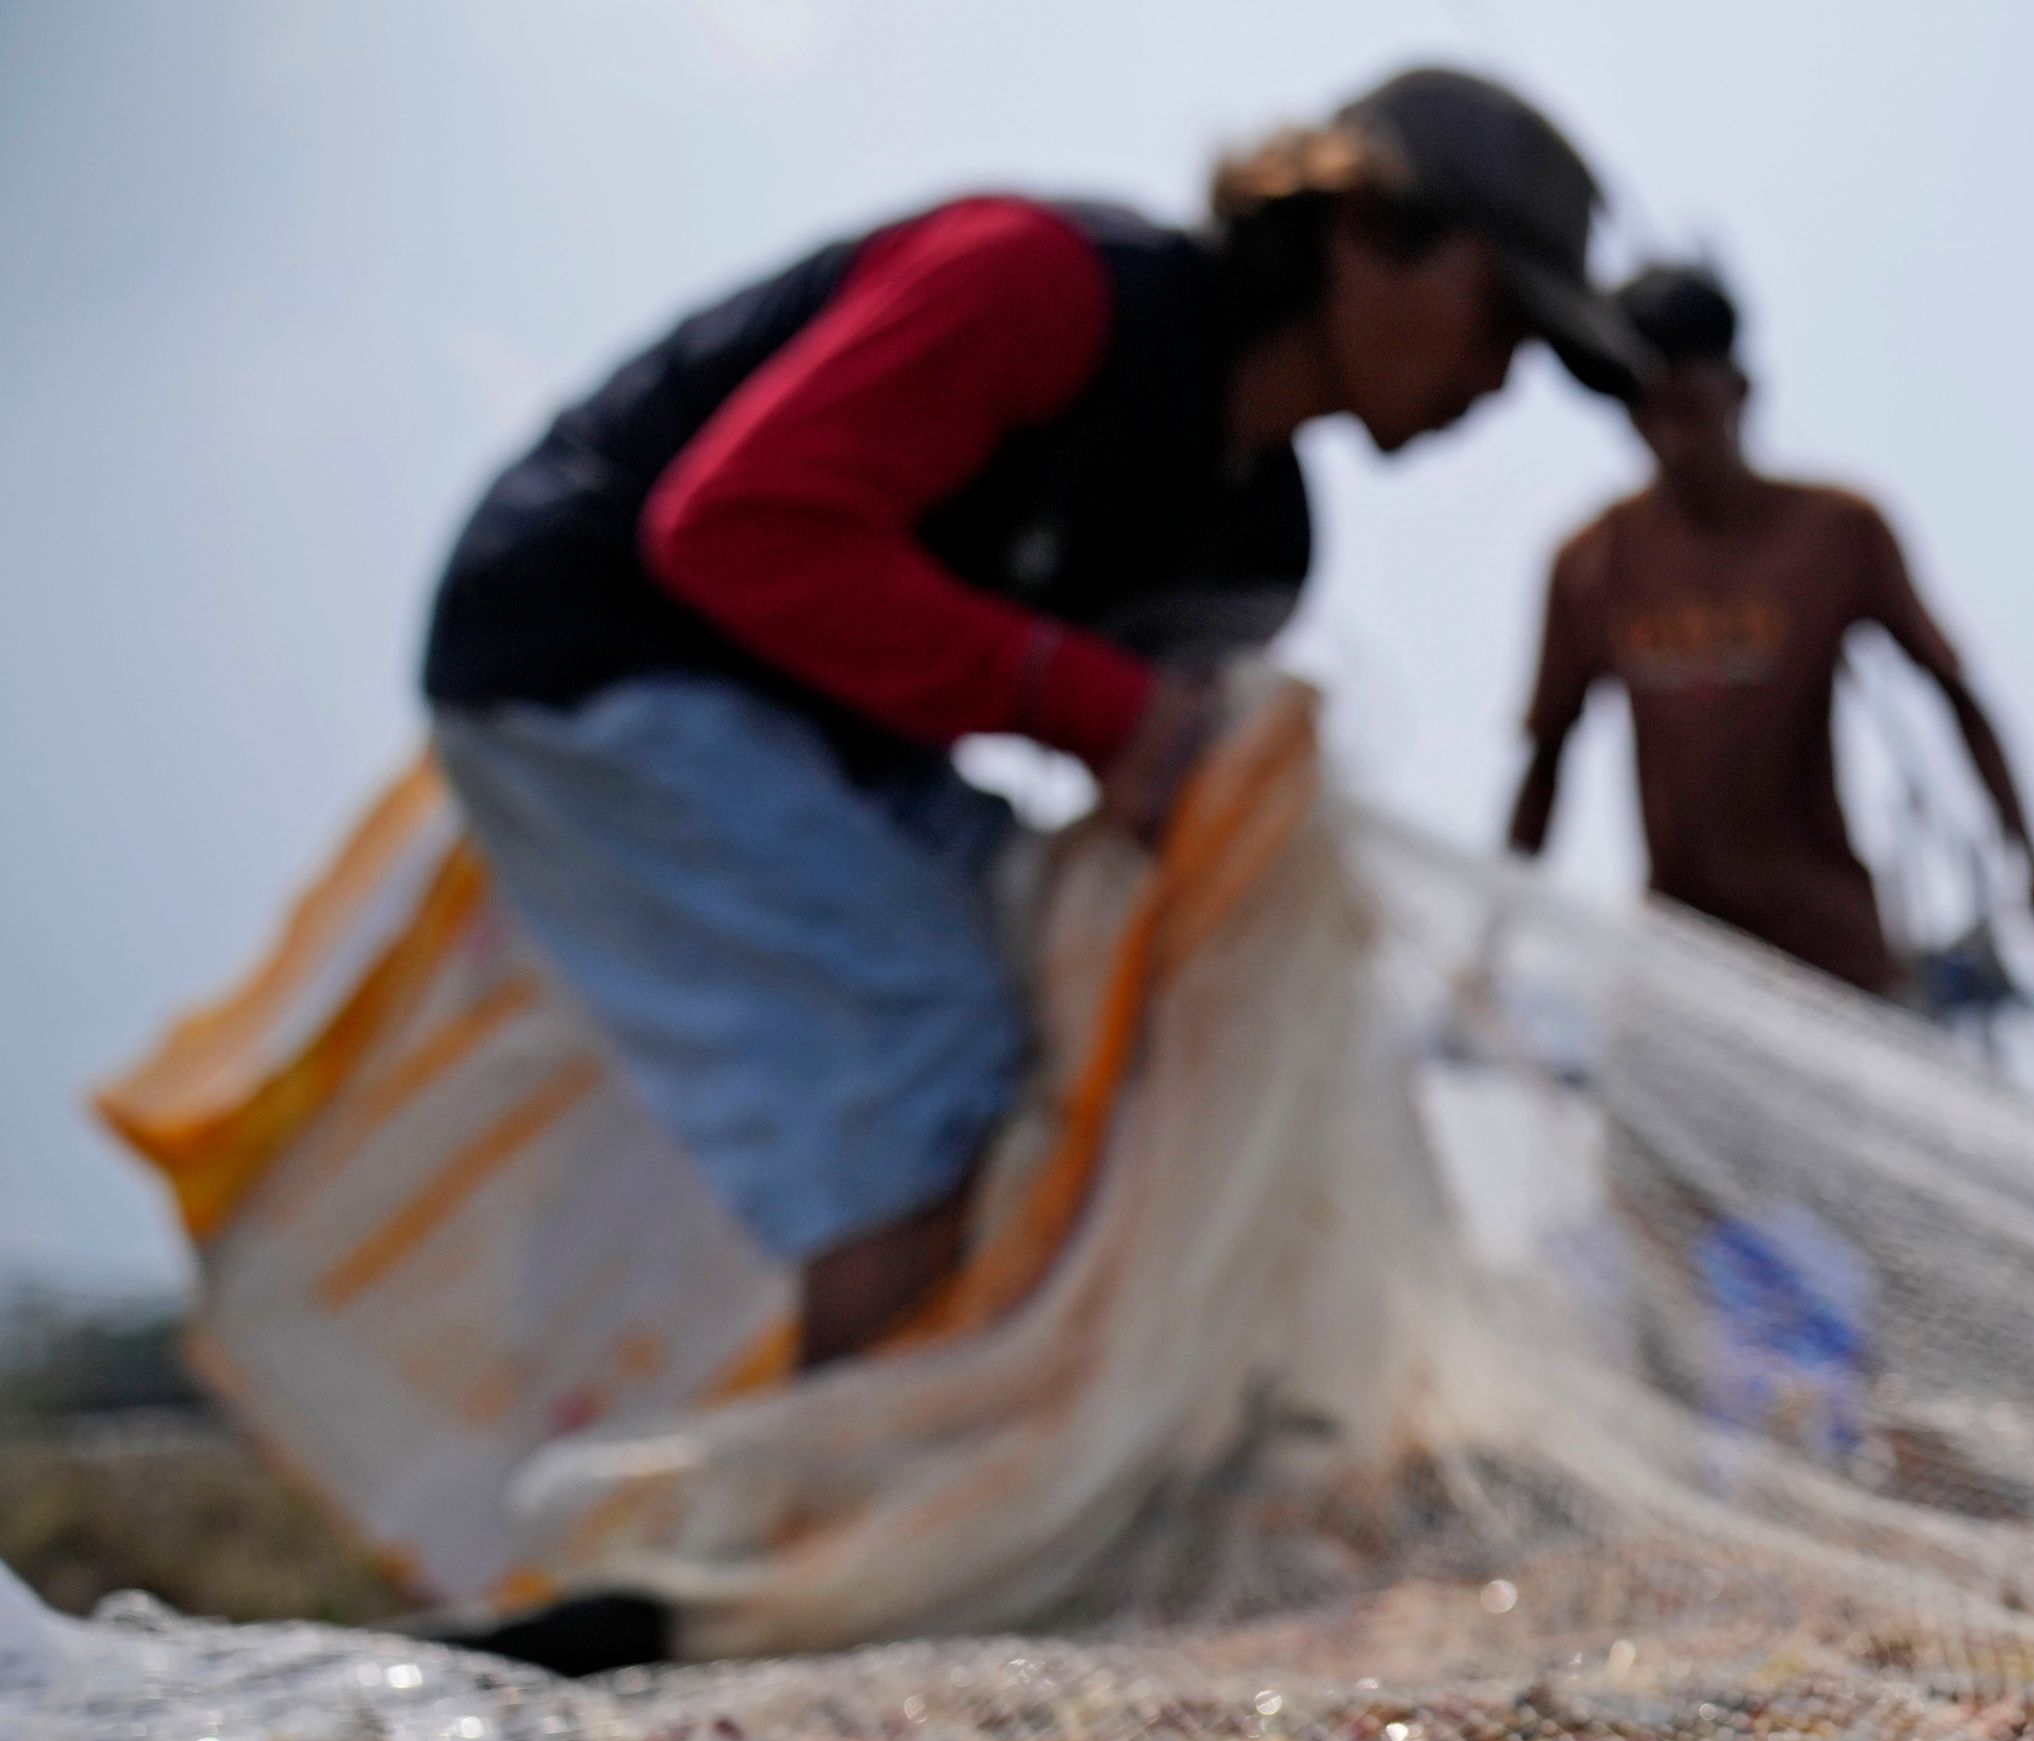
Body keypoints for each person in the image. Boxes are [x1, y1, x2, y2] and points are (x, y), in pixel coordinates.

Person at [421, 68, 1650, 1368]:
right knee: (934, 1060)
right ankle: (852, 1527)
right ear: (1366, 230)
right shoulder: (1044, 286)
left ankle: (964, 1451)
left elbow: (1121, 780)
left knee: (1062, 1024)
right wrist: (1107, 713)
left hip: (833, 730)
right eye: (1500, 316)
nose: (1498, 378)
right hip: (593, 655)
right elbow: (734, 528)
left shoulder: (1255, 547)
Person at [1507, 264, 2034, 996]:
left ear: (1740, 392)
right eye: (1647, 414)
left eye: (1690, 408)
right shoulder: (1592, 563)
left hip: (1831, 960)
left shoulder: (1838, 534)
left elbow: (1956, 696)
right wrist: (1498, 923)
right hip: (1682, 967)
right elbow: (1546, 760)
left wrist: (2033, 868)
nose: (1672, 441)